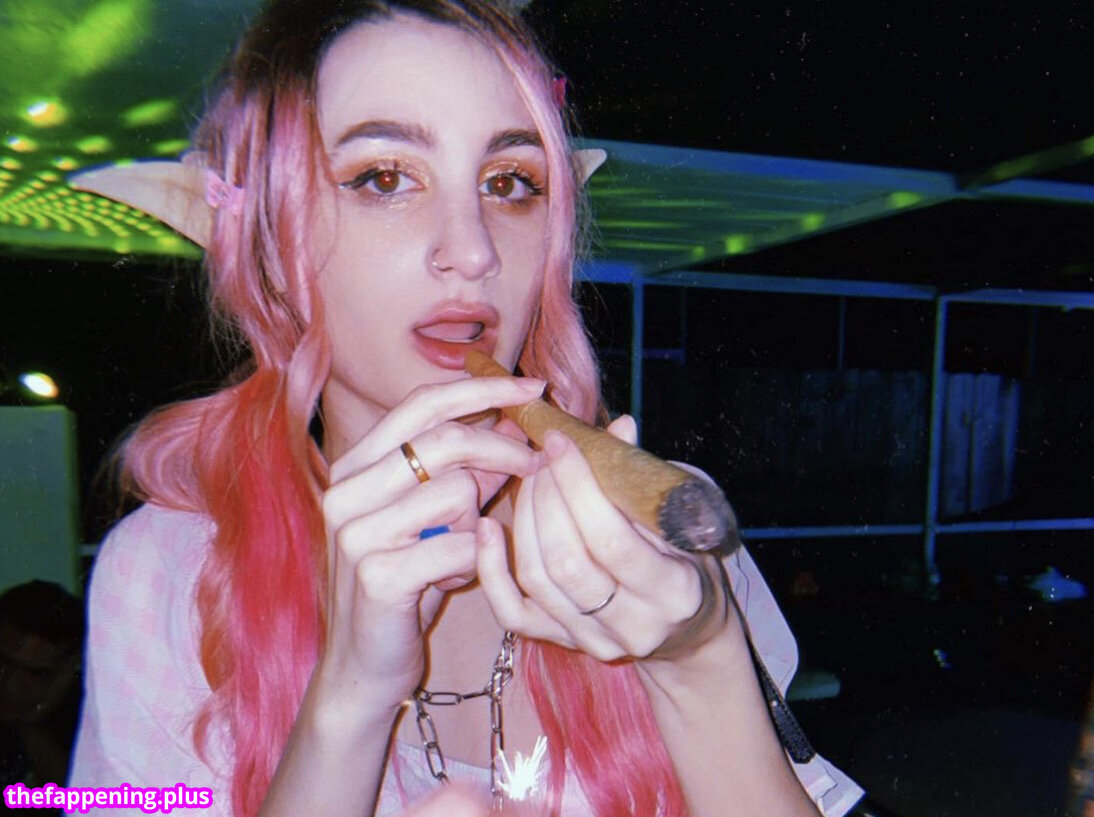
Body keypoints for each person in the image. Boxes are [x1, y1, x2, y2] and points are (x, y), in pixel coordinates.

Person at [68, 1, 863, 815]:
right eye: (384, 178)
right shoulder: (169, 576)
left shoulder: (661, 534)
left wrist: (703, 659)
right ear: (270, 245)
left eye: (509, 183)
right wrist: (349, 698)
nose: (474, 251)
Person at [0, 580, 84, 813]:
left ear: (67, 671)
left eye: (34, 673)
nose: (10, 684)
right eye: (3, 661)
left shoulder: (91, 713)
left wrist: (31, 725)